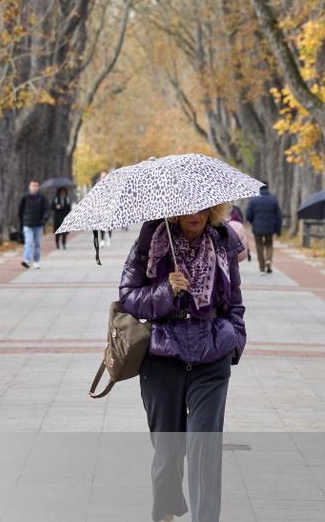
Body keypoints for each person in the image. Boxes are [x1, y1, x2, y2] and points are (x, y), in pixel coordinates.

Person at [119, 204, 247, 522]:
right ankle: (165, 511)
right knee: (168, 452)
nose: (196, 214)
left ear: (213, 210)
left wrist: (235, 339)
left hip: (211, 355)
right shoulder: (152, 240)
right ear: (175, 210)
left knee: (205, 447)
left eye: (204, 208)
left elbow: (235, 300)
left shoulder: (222, 240)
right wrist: (166, 290)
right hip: (162, 357)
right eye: (188, 208)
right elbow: (128, 296)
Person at [245, 185, 282, 274]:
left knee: (259, 246)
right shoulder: (273, 200)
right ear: (268, 188)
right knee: (269, 245)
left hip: (257, 227)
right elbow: (278, 216)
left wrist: (251, 221)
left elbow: (248, 213)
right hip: (270, 228)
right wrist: (278, 230)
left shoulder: (254, 200)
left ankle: (262, 267)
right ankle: (268, 261)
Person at [17, 181, 49, 268]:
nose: (34, 187)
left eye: (36, 186)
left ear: (38, 187)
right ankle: (26, 260)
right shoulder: (25, 197)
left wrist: (44, 219)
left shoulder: (42, 198)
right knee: (29, 242)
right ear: (29, 187)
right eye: (33, 186)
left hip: (38, 224)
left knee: (38, 243)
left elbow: (47, 210)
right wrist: (21, 224)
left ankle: (36, 261)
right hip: (27, 224)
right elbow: (20, 211)